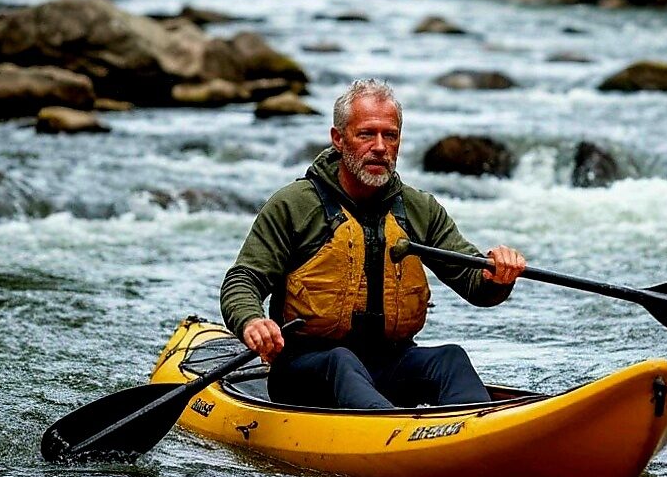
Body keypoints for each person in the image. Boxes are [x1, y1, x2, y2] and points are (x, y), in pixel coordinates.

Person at [220, 78, 526, 409]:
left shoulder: (418, 209)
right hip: (307, 370)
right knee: (341, 361)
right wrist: (252, 321)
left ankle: (475, 431)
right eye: (366, 134)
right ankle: (395, 442)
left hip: (390, 365)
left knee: (450, 359)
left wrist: (496, 277)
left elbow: (473, 282)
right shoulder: (294, 205)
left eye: (389, 135)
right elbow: (243, 279)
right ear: (338, 139)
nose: (379, 146)